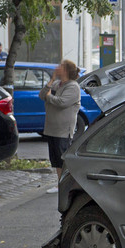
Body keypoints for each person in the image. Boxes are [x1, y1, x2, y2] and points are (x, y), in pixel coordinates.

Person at [39, 60, 81, 194]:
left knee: (62, 159)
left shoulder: (73, 86)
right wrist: (51, 81)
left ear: (66, 71)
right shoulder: (57, 83)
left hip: (63, 130)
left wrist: (49, 96)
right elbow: (42, 95)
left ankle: (67, 185)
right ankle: (60, 184)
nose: (57, 68)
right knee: (56, 160)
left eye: (61, 66)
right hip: (51, 127)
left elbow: (62, 102)